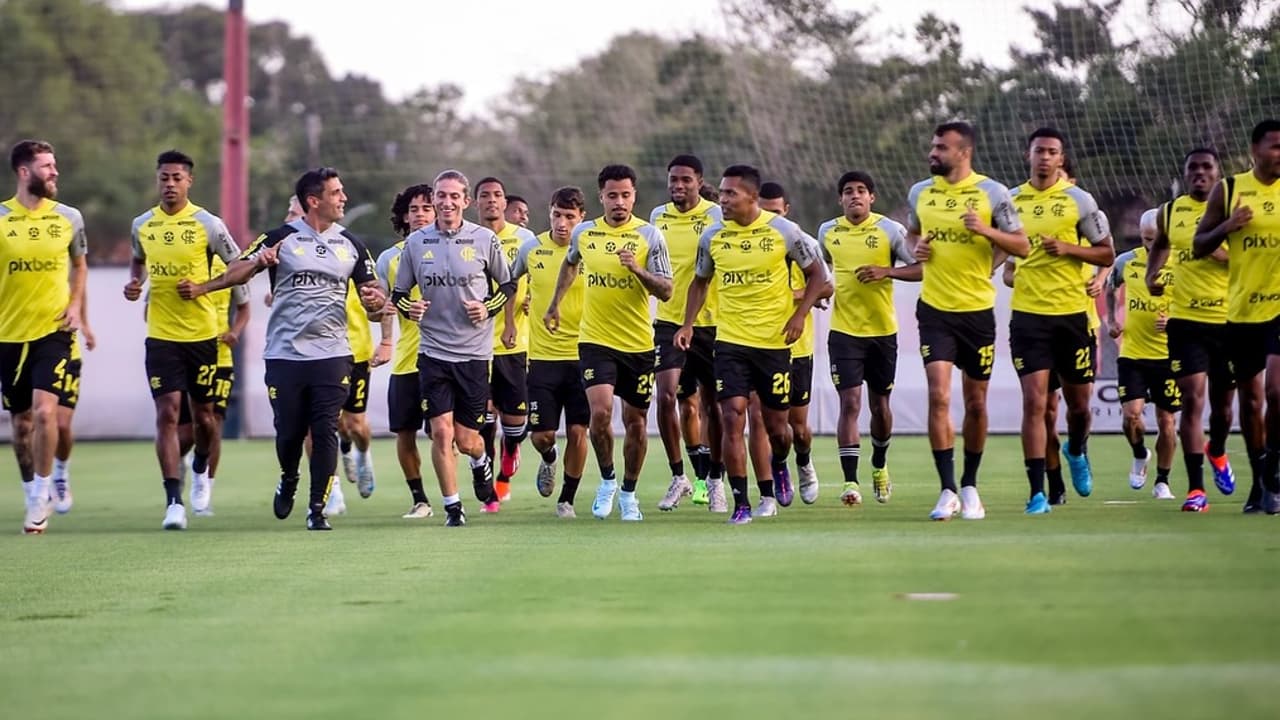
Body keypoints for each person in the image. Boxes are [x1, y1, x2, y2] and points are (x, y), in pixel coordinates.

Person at [184, 167, 386, 530]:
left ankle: (317, 509)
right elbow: (237, 269)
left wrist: (375, 299)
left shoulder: (351, 243)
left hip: (332, 352)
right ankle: (289, 477)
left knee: (324, 429)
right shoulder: (281, 237)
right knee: (290, 432)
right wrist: (247, 268)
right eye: (336, 192)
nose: (344, 198)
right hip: (285, 353)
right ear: (314, 200)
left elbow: (375, 296)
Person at [677, 164, 831, 525]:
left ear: (751, 196)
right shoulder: (713, 236)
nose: (723, 200)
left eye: (730, 193)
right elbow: (700, 282)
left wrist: (798, 316)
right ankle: (743, 502)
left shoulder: (784, 232)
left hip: (774, 345)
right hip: (729, 342)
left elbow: (818, 275)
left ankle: (780, 464)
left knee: (779, 429)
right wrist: (687, 324)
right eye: (722, 193)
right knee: (732, 418)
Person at [908, 121, 1029, 521]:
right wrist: (917, 247)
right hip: (934, 311)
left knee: (976, 403)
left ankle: (970, 484)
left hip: (977, 312)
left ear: (963, 152)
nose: (933, 153)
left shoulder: (992, 193)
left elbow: (1023, 246)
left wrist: (986, 230)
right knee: (939, 395)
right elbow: (911, 236)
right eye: (933, 146)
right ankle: (946, 490)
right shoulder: (920, 193)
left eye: (941, 147)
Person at [545, 164, 673, 521]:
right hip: (595, 341)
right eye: (612, 195)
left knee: (635, 421)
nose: (619, 202)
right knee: (599, 414)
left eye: (626, 195)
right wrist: (554, 304)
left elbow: (666, 290)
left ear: (634, 196)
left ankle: (629, 493)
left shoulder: (650, 235)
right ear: (601, 196)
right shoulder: (584, 233)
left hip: (638, 344)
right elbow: (570, 264)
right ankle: (607, 480)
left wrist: (637, 270)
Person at [124, 150, 242, 530]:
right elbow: (138, 260)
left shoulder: (207, 224)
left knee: (206, 419)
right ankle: (173, 501)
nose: (170, 184)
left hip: (203, 336)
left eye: (177, 178)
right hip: (160, 336)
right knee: (167, 414)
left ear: (189, 181)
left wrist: (204, 286)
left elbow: (240, 266)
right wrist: (134, 283)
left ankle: (202, 466)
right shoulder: (143, 224)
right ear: (157, 180)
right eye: (164, 178)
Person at [391, 169, 514, 527]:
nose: (446, 203)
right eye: (440, 196)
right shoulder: (417, 243)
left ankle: (480, 461)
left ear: (465, 201)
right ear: (434, 200)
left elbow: (506, 286)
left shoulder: (483, 239)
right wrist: (408, 308)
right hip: (433, 353)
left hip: (474, 354)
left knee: (467, 439)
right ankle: (453, 507)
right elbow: (398, 296)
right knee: (441, 433)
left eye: (453, 196)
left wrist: (487, 308)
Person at [1006, 128, 1115, 514]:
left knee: (1078, 408)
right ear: (1028, 155)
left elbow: (1106, 254)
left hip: (1073, 318)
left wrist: (1067, 248)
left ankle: (1076, 448)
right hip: (1028, 319)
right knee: (1037, 405)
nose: (1045, 157)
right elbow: (1006, 265)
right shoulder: (1010, 200)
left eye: (1052, 151)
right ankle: (1040, 490)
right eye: (1039, 151)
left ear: (1061, 158)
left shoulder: (1078, 200)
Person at [1193, 118, 1280, 514]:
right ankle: (1261, 482)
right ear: (1255, 150)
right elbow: (1199, 245)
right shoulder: (1228, 190)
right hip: (1244, 311)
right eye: (1275, 146)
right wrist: (1229, 225)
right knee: (1250, 401)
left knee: (1277, 392)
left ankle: (1273, 473)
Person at [819, 171, 920, 506]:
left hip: (882, 333)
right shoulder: (828, 232)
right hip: (844, 333)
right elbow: (825, 270)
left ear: (872, 198)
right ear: (840, 199)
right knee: (850, 404)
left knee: (880, 406)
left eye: (861, 191)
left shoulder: (890, 230)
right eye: (848, 192)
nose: (855, 196)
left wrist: (887, 271)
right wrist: (818, 291)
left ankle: (879, 463)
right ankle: (850, 482)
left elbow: (919, 268)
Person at [1, 139, 87, 534]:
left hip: (54, 332)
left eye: (55, 165)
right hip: (8, 336)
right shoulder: (1, 218)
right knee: (20, 426)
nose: (55, 172)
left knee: (44, 412)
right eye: (47, 166)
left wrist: (74, 305)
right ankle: (30, 488)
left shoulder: (69, 217)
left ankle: (40, 494)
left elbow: (80, 266)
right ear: (24, 172)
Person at [1146, 149, 1234, 512]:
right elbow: (1162, 245)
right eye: (1193, 168)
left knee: (1224, 409)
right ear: (1184, 173)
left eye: (1206, 167)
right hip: (1185, 321)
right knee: (1192, 401)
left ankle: (1217, 449)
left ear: (1217, 173)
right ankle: (1196, 490)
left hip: (1230, 319)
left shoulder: (1232, 209)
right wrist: (1152, 275)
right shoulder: (1170, 211)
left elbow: (1251, 257)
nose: (1199, 172)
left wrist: (1214, 248)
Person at [651, 155, 725, 512]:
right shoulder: (657, 217)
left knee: (714, 404)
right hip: (668, 321)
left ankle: (715, 479)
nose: (678, 186)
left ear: (698, 181)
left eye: (685, 180)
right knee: (667, 396)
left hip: (713, 322)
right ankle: (679, 474)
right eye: (673, 180)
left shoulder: (715, 215)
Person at [511, 187, 591, 518]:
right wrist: (510, 319)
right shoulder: (531, 249)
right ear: (549, 213)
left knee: (577, 431)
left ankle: (567, 499)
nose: (562, 223)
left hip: (585, 354)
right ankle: (548, 458)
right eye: (557, 215)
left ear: (581, 218)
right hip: (542, 359)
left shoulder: (591, 248)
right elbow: (507, 282)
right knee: (541, 435)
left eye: (569, 217)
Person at [1107, 209, 1180, 500]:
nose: (1150, 246)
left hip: (1168, 355)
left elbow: (1195, 300)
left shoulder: (1181, 264)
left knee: (1167, 420)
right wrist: (1112, 319)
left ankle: (1163, 481)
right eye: (1145, 239)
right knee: (1131, 417)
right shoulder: (1127, 261)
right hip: (1133, 353)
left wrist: (1174, 322)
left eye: (1155, 239)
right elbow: (1110, 286)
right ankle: (1140, 453)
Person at [374, 183, 437, 519]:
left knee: (449, 433)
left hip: (446, 357)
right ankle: (420, 499)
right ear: (404, 216)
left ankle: (464, 479)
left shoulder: (455, 250)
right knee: (404, 431)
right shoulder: (389, 258)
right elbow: (382, 306)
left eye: (427, 208)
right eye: (414, 209)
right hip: (406, 360)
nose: (420, 214)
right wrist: (385, 340)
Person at [475, 176, 538, 506]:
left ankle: (510, 450)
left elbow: (539, 276)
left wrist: (530, 305)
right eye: (484, 195)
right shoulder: (469, 239)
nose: (491, 200)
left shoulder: (525, 239)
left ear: (505, 203)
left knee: (515, 423)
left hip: (515, 341)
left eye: (497, 195)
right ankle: (489, 489)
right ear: (476, 203)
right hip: (476, 343)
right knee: (483, 417)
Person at [49, 282, 95, 514]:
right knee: (31, 423)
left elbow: (78, 287)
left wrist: (85, 325)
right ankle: (39, 483)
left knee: (61, 424)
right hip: (23, 345)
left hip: (65, 350)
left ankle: (60, 474)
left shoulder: (60, 252)